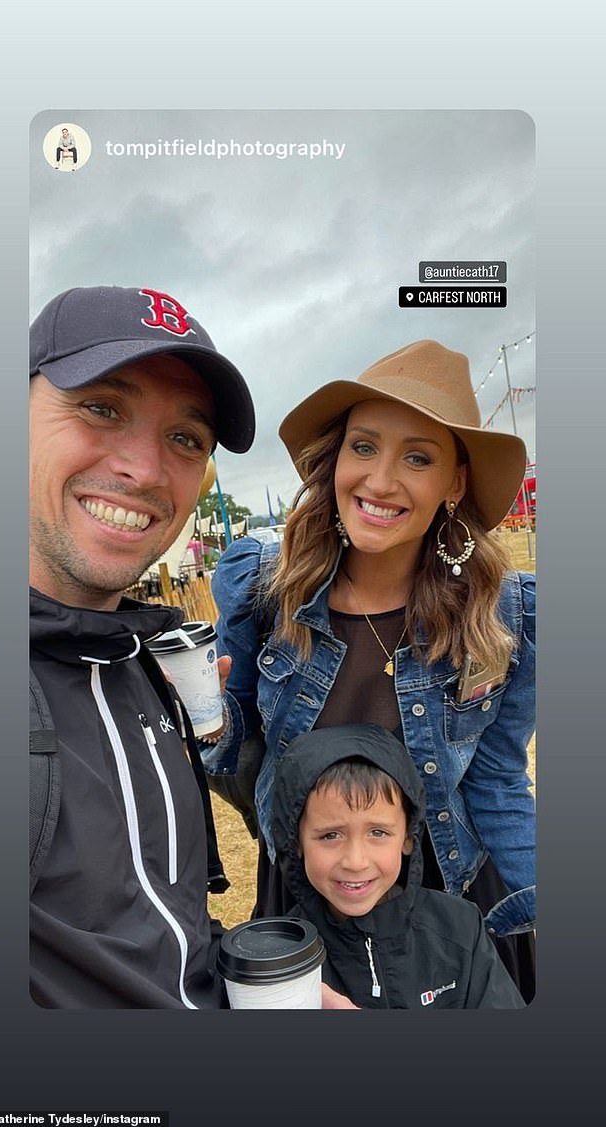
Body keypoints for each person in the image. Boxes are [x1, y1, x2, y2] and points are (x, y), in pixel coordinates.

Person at [206, 339, 536, 1001]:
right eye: (364, 446)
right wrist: (206, 724)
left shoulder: (506, 614)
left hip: (451, 899)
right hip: (307, 887)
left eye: (418, 455)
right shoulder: (260, 594)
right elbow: (237, 757)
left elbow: (497, 779)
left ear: (456, 483)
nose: (380, 480)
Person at [29, 284, 258, 1008]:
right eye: (101, 407)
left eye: (186, 438)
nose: (148, 470)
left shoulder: (140, 663)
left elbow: (165, 926)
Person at [272, 724, 524, 1008]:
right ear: (295, 843)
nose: (356, 861)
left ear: (408, 837)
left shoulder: (460, 928)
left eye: (378, 833)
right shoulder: (281, 956)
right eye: (330, 835)